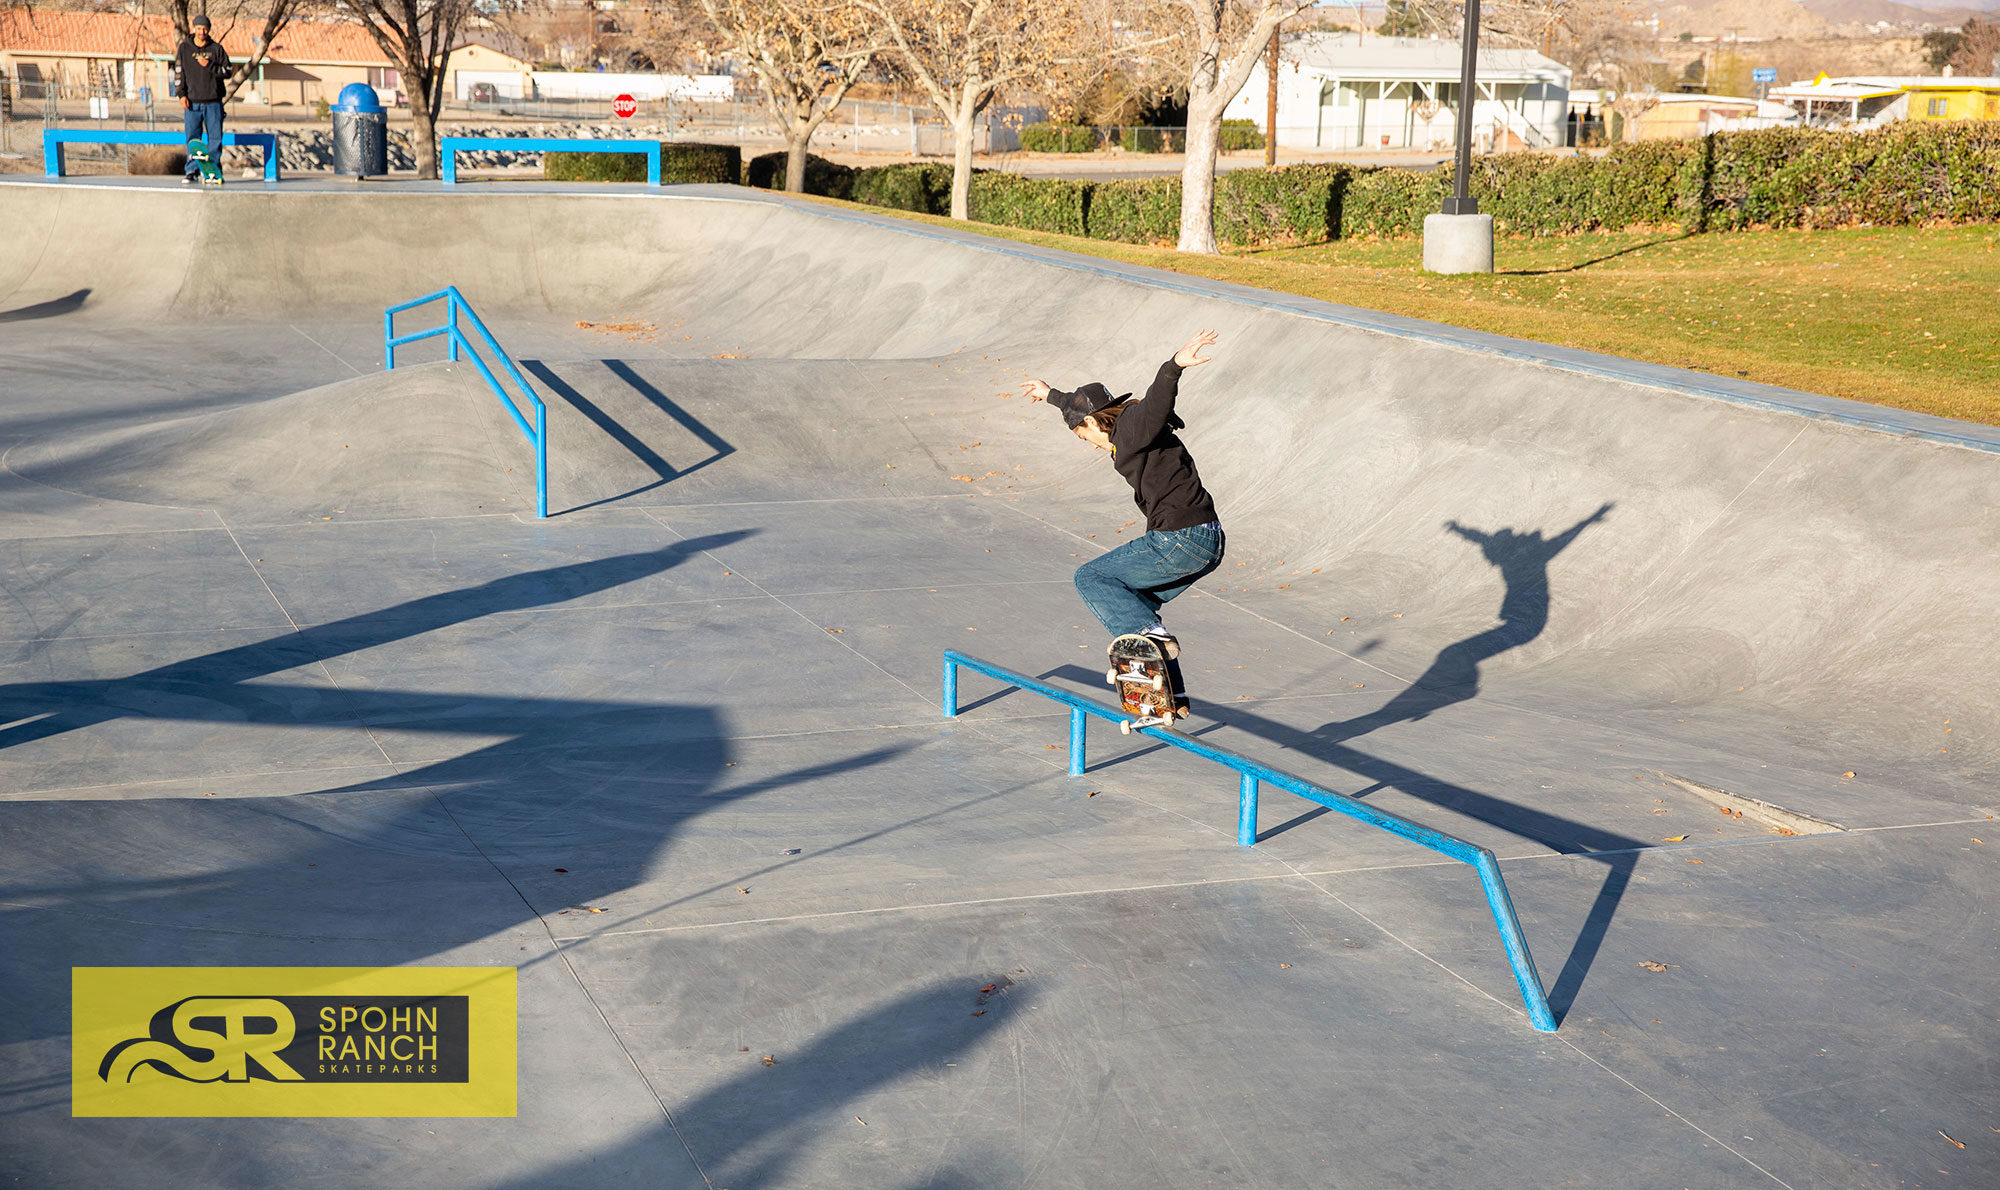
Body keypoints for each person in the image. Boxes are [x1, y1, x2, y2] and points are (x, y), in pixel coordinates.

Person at [1021, 330, 1227, 658]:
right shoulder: (1123, 431)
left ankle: (1148, 636)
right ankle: (1163, 690)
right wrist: (1052, 395)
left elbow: (1156, 405)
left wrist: (1173, 367)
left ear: (1091, 422)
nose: (1089, 444)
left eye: (1083, 437)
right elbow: (1080, 408)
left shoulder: (1131, 428)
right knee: (1131, 603)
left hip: (1179, 539)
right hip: (1208, 542)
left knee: (1091, 577)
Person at [174, 15, 232, 184]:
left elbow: (228, 71)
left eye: (205, 29)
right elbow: (179, 73)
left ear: (209, 30)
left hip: (213, 102)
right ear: (194, 29)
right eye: (199, 28)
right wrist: (181, 94)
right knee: (193, 138)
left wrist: (210, 66)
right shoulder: (184, 48)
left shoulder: (216, 49)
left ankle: (213, 171)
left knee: (215, 138)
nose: (202, 32)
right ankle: (191, 170)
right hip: (192, 102)